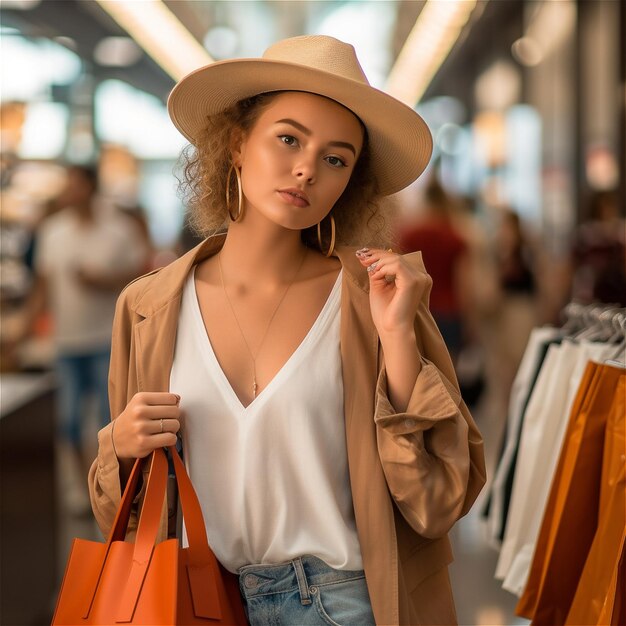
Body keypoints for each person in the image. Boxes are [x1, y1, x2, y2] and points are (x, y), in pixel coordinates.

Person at [88, 35, 485, 625]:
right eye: (288, 138)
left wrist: (398, 337)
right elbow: (124, 512)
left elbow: (437, 502)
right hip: (200, 599)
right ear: (237, 144)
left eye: (335, 158)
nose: (306, 168)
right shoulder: (148, 308)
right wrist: (117, 447)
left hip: (342, 602)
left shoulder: (372, 301)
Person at [23, 165, 148, 512]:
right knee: (70, 422)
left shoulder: (118, 228)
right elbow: (43, 286)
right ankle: (83, 489)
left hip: (108, 339)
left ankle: (116, 490)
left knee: (111, 421)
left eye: (75, 184)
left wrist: (106, 281)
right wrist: (25, 328)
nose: (69, 191)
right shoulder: (53, 231)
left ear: (91, 187)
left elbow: (145, 275)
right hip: (67, 342)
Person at [398, 178, 471, 362]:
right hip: (449, 311)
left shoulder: (409, 235)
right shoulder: (455, 237)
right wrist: (471, 323)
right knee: (449, 374)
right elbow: (464, 284)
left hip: (418, 308)